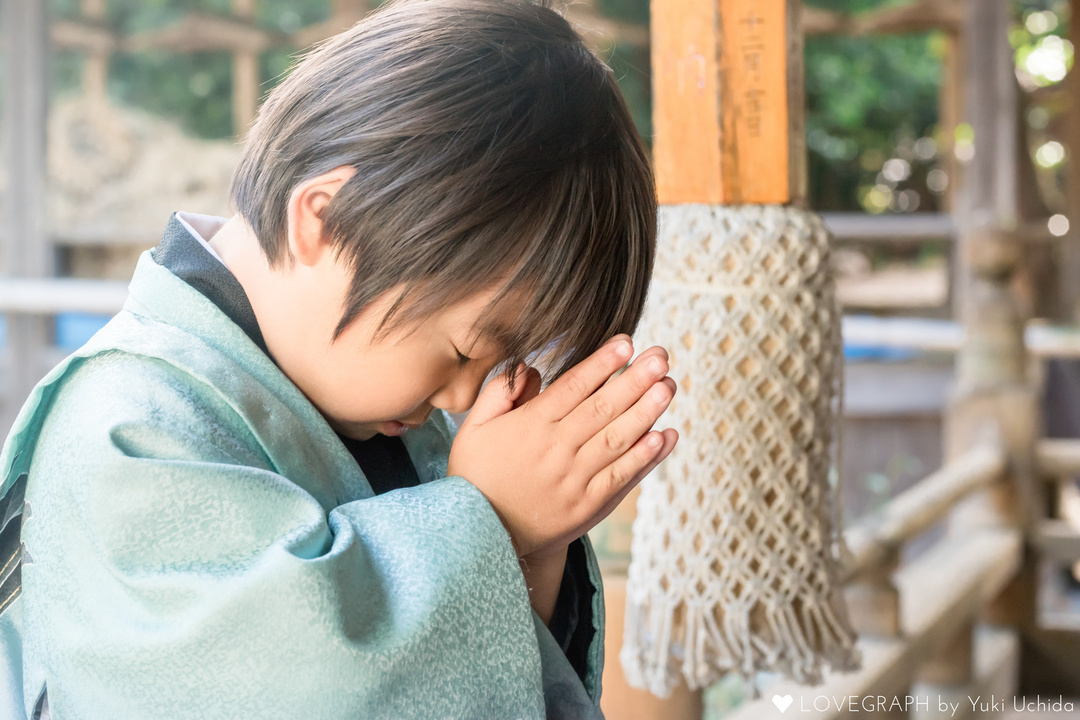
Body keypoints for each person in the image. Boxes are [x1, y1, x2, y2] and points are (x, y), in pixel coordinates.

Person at [0, 0, 678, 717]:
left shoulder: (388, 414)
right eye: (461, 351)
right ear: (325, 219)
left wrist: (534, 551)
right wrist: (489, 521)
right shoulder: (126, 430)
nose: (461, 398)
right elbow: (284, 688)